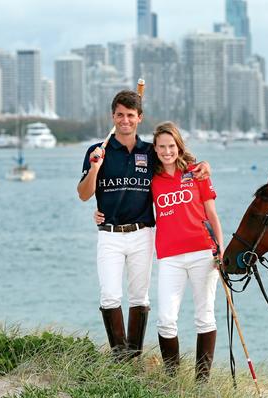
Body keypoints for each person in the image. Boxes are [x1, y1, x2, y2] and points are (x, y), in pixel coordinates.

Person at [77, 90, 210, 360]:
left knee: (140, 297)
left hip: (143, 233)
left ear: (139, 118)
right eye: (119, 115)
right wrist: (95, 169)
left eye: (130, 116)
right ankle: (120, 358)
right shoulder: (97, 151)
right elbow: (83, 194)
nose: (124, 120)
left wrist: (204, 166)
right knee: (110, 296)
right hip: (110, 234)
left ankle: (133, 359)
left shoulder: (149, 152)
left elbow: (178, 166)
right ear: (112, 117)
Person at [150, 122, 223, 380]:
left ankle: (202, 383)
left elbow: (211, 213)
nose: (167, 151)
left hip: (203, 252)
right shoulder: (152, 178)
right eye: (162, 147)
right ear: (155, 149)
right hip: (170, 257)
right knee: (165, 320)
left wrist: (220, 249)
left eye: (171, 146)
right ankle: (173, 380)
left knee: (205, 316)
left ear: (179, 146)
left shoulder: (197, 173)